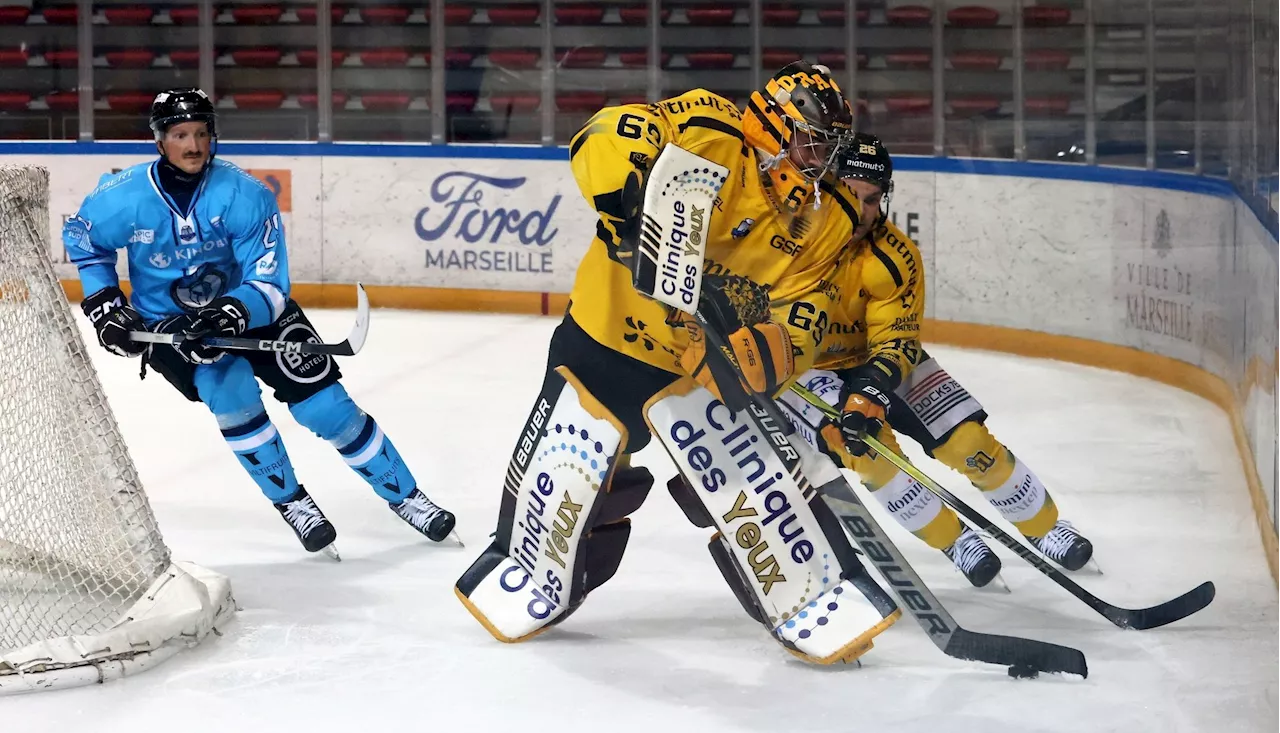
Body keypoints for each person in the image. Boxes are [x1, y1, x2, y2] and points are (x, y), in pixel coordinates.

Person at [454, 62, 905, 664]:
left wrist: (769, 353)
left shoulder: (830, 216)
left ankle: (811, 595)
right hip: (605, 337)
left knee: (751, 483)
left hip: (701, 370)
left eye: (829, 147)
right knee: (569, 473)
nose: (823, 159)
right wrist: (629, 202)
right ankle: (533, 572)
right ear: (775, 125)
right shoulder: (706, 129)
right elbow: (607, 131)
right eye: (813, 141)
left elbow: (810, 306)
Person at [62, 88, 456, 557]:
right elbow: (84, 238)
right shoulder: (123, 196)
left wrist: (231, 314)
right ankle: (293, 503)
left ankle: (408, 497)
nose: (193, 145)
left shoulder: (245, 194)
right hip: (169, 324)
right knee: (233, 399)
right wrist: (104, 301)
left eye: (202, 133)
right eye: (181, 135)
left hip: (251, 312)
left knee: (325, 406)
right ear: (160, 141)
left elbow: (269, 283)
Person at [778, 135, 1095, 589]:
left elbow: (898, 341)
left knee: (968, 442)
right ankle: (954, 540)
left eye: (871, 199)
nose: (862, 211)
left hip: (879, 361)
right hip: (806, 369)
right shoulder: (787, 243)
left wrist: (869, 392)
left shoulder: (895, 256)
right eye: (850, 196)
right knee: (868, 452)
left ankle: (1044, 527)